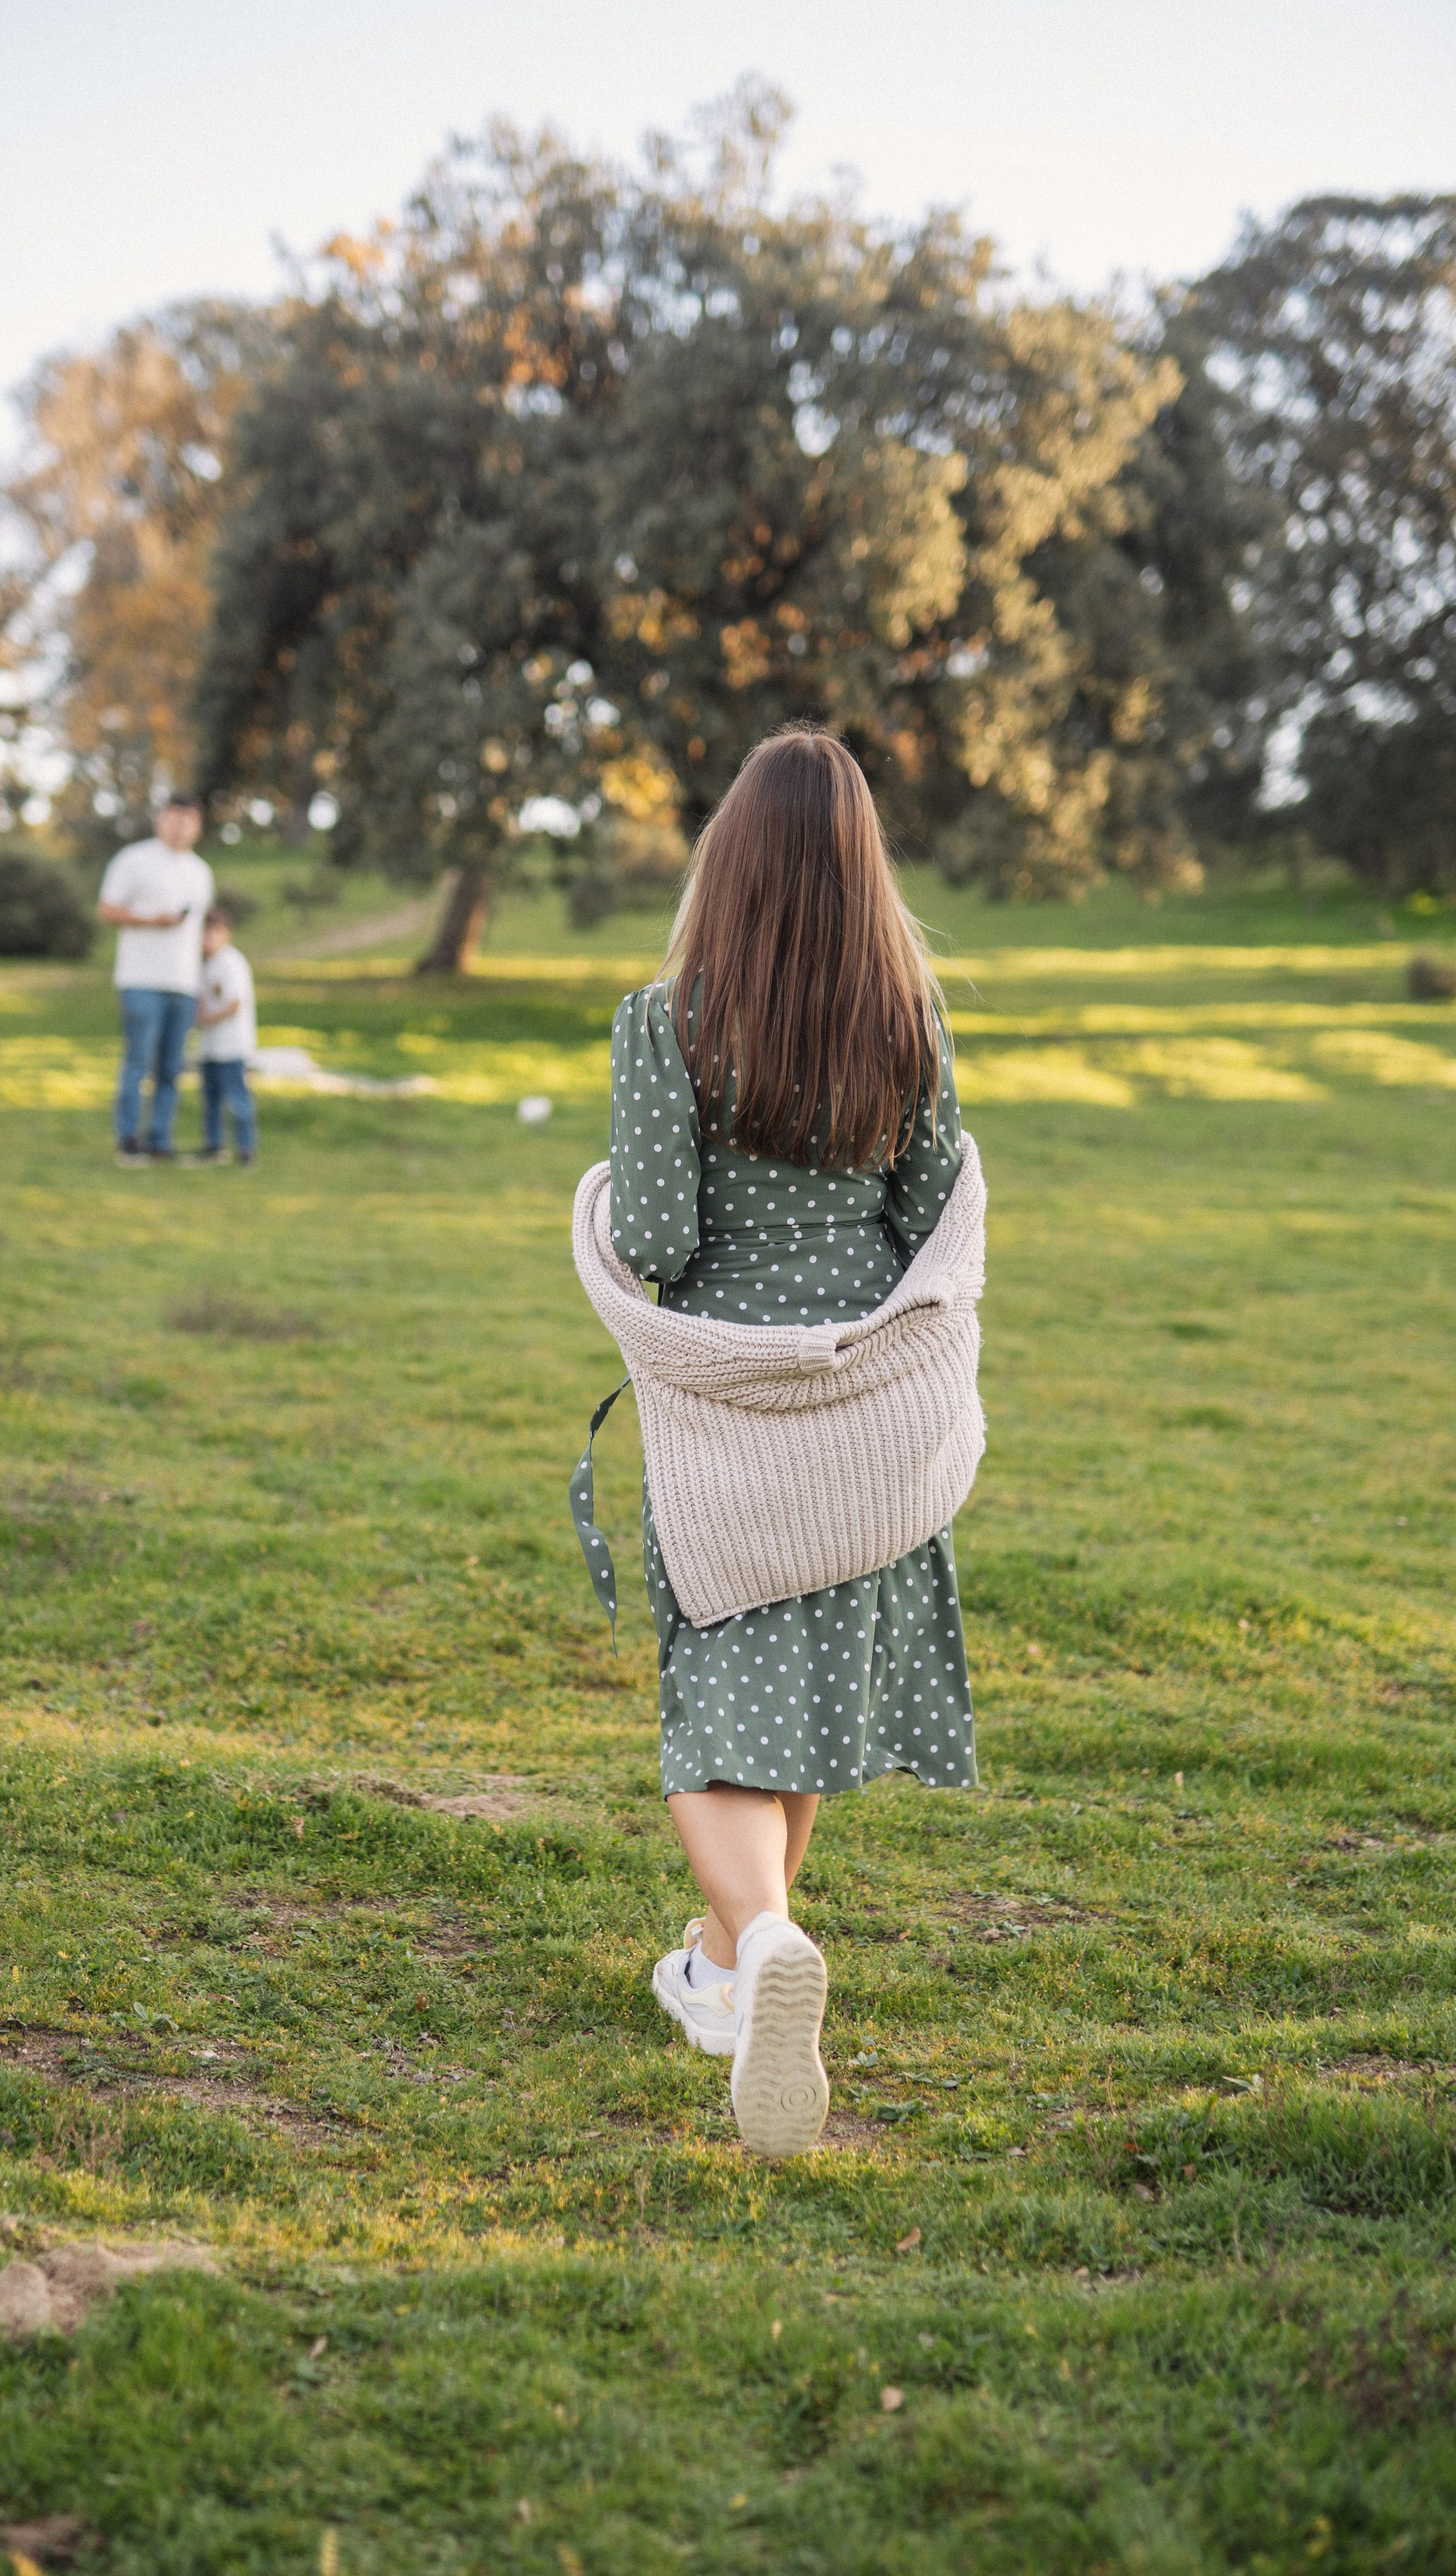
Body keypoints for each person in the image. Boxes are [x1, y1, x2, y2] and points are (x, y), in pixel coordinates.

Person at [604, 729, 976, 2156]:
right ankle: (718, 1977)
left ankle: (758, 1942)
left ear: (729, 865)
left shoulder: (667, 1023)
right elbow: (930, 1220)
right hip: (867, 1421)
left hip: (731, 1416)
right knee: (806, 1692)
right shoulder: (909, 1022)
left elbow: (655, 1239)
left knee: (714, 1712)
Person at [98, 794, 215, 1165]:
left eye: (189, 820)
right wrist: (154, 921)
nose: (181, 826)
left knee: (172, 1067)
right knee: (138, 1060)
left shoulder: (201, 872)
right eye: (174, 818)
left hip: (183, 983)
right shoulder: (134, 860)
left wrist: (203, 983)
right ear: (160, 820)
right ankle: (128, 1140)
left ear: (197, 826)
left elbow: (202, 936)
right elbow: (107, 910)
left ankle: (159, 1138)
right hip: (141, 980)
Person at [194, 907, 258, 1165]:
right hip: (209, 1046)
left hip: (232, 1046)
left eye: (214, 933)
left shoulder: (232, 962)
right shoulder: (202, 964)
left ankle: (245, 1149)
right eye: (205, 933)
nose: (208, 939)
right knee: (210, 1098)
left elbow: (234, 1003)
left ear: (226, 934)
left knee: (237, 1098)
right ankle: (214, 1146)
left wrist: (208, 1017)